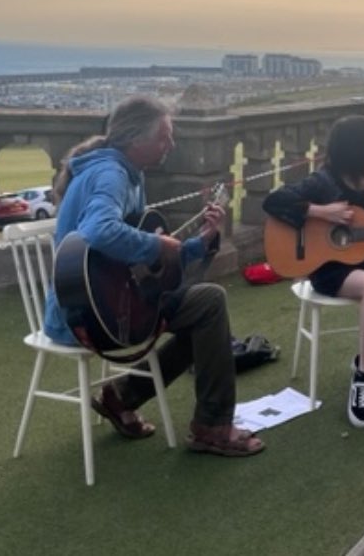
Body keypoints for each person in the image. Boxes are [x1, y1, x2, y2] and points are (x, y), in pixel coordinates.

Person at [44, 95, 263, 457]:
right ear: (135, 140)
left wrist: (199, 243)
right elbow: (100, 232)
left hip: (103, 303)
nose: (171, 145)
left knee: (203, 312)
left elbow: (140, 263)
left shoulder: (127, 173)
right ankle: (212, 426)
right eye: (164, 137)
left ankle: (125, 396)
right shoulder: (112, 175)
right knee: (209, 303)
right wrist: (157, 245)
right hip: (87, 317)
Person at [262, 116, 364, 428]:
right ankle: (363, 379)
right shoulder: (324, 182)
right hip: (326, 267)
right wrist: (319, 211)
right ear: (358, 149)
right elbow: (273, 201)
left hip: (362, 260)